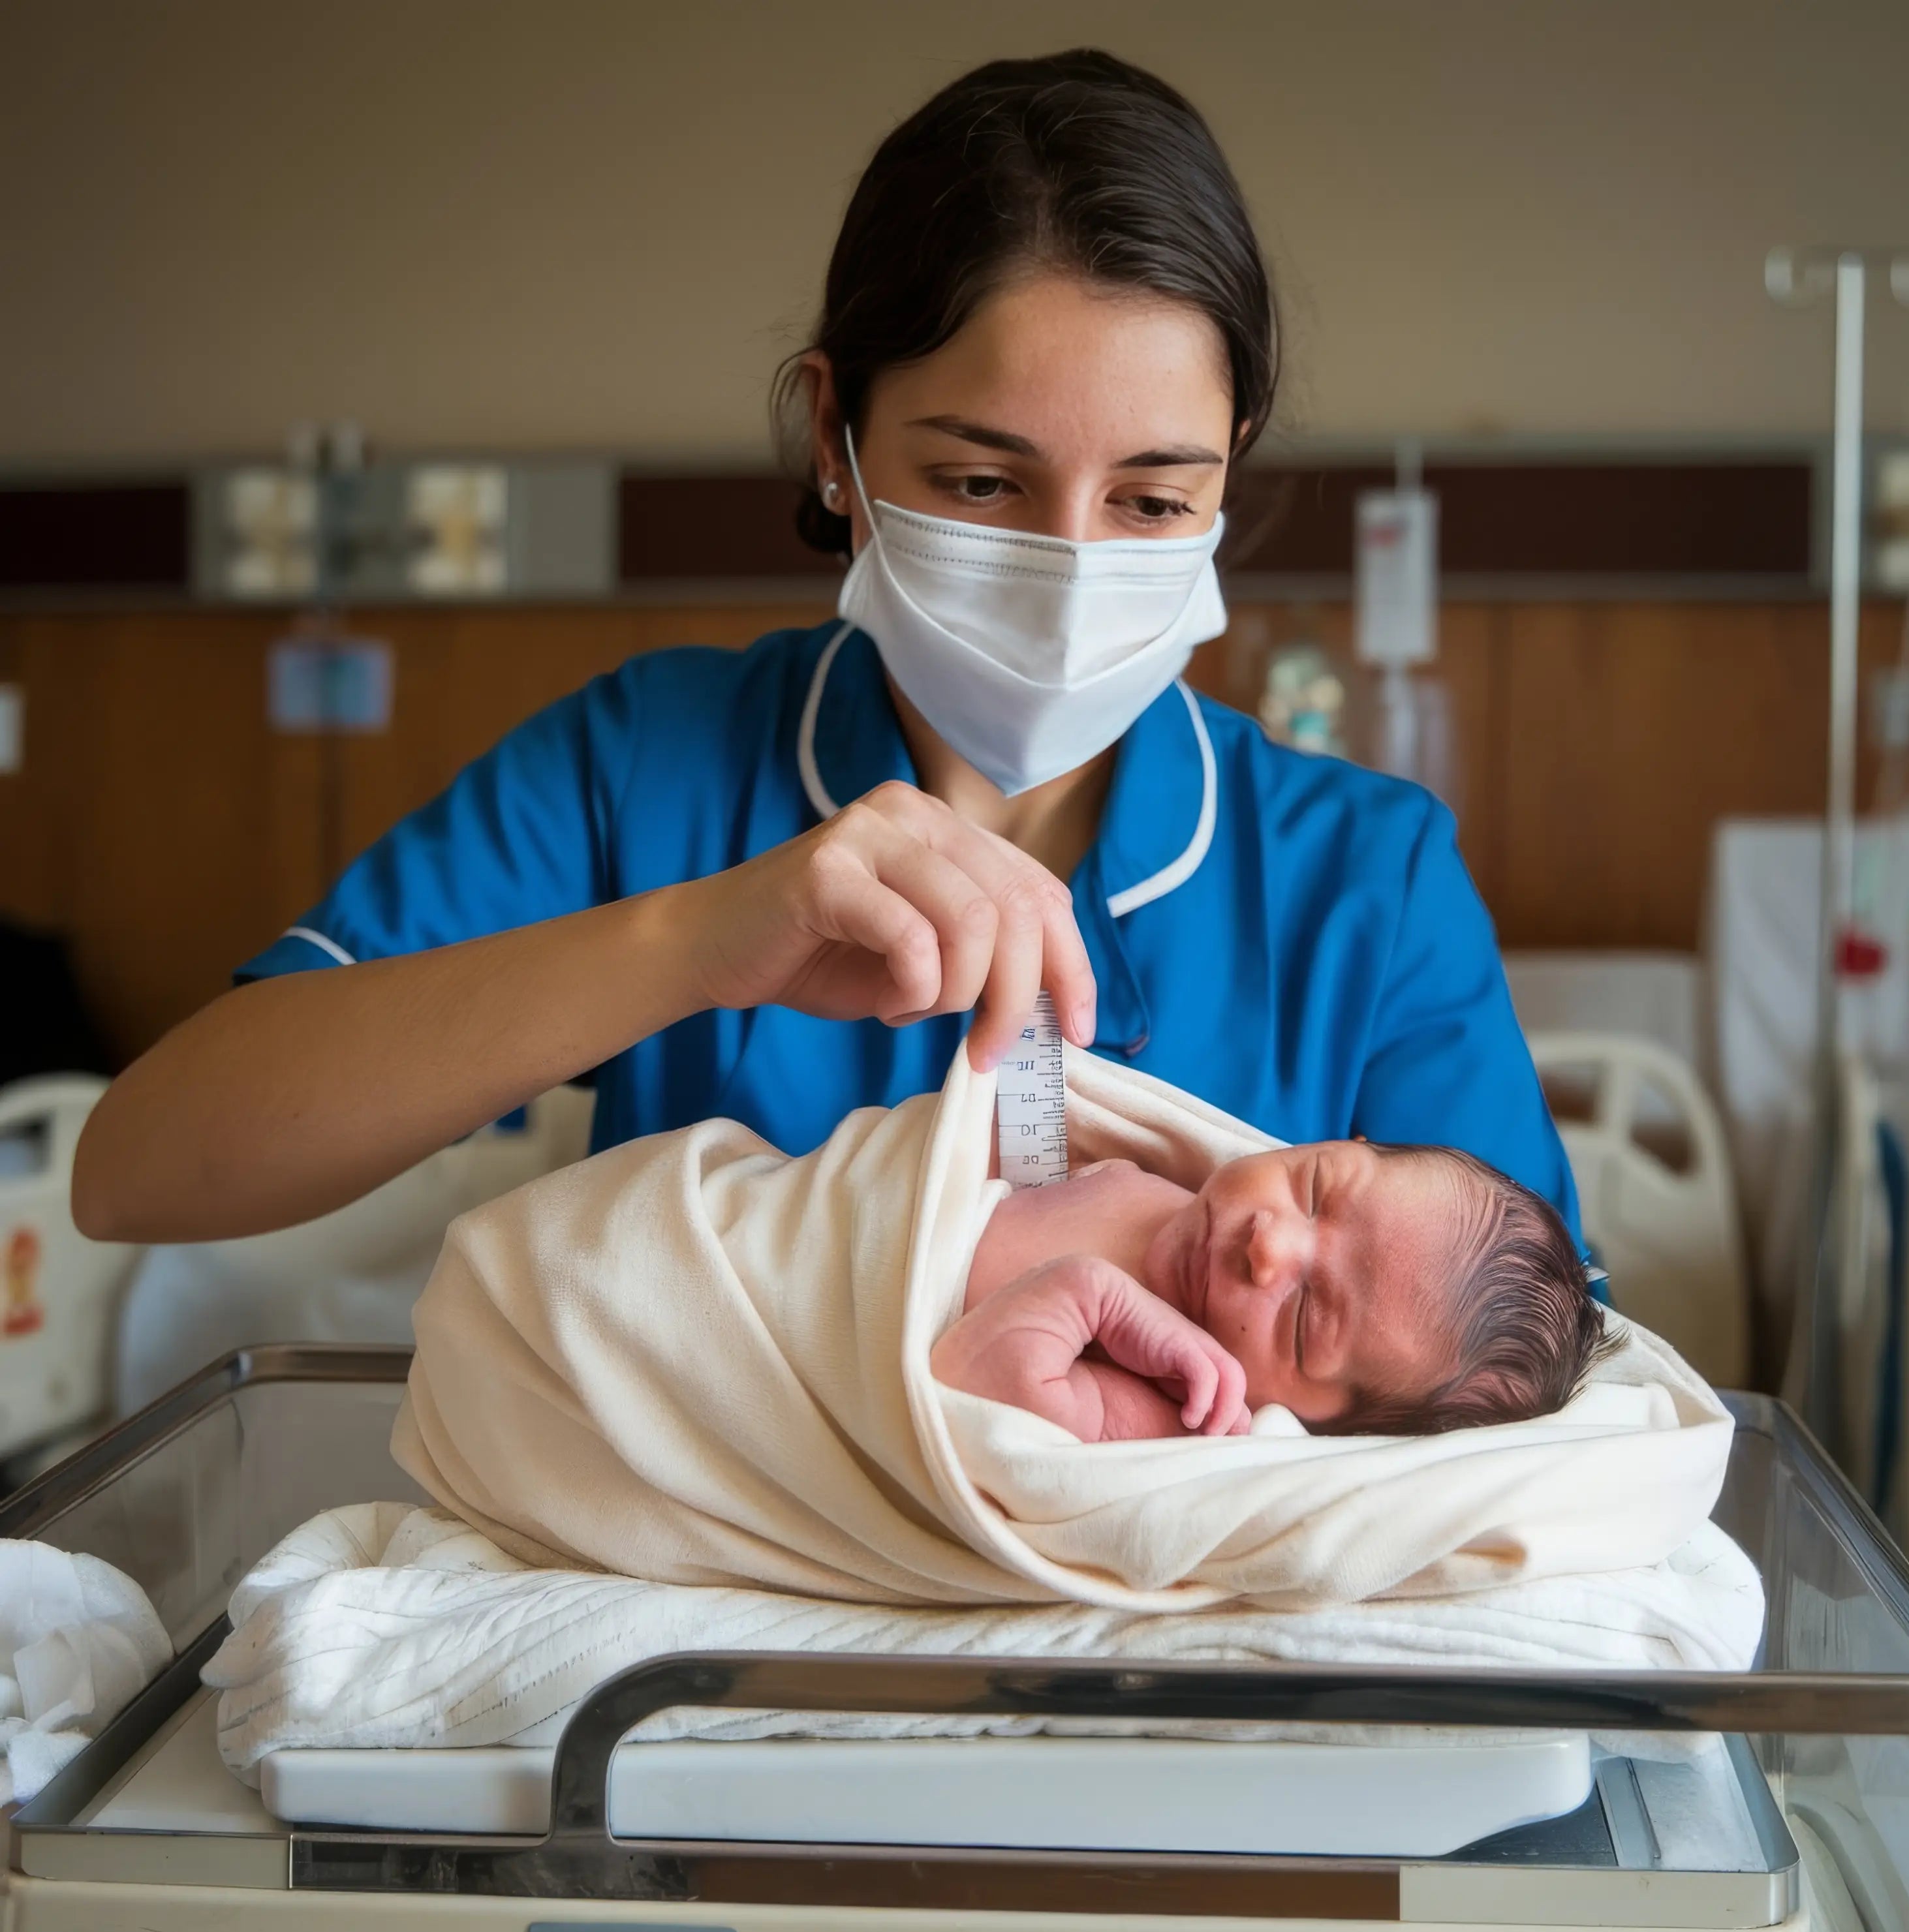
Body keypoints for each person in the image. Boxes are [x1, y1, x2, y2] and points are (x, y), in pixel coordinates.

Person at [71, 49, 1581, 1262]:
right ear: (832, 442)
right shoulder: (645, 770)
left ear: (1227, 473)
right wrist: (696, 940)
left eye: (1149, 498)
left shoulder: (1361, 882)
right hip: (725, 1633)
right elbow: (141, 1171)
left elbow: (1527, 1370)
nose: (1068, 566)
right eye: (981, 484)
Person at [935, 1141, 1611, 1444]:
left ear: (1313, 1427)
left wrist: (1085, 1297)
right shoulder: (1162, 1180)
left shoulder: (1173, 1414)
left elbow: (985, 1407)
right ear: (1342, 1144)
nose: (1269, 1246)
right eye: (1314, 1189)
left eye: (1305, 1318)